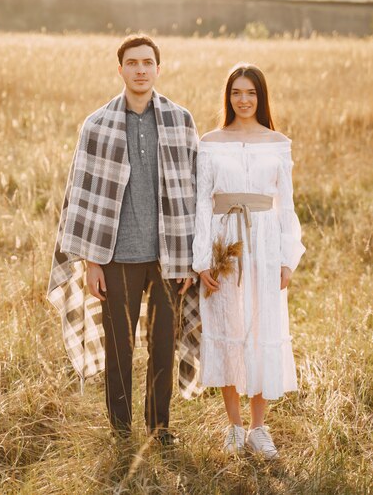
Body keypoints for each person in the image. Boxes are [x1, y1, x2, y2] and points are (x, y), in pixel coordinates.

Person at [47, 34, 200, 445]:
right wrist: (91, 262)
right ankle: (120, 431)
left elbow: (195, 190)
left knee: (163, 346)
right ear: (120, 69)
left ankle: (159, 428)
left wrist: (190, 259)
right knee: (120, 348)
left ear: (157, 68)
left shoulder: (180, 120)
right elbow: (78, 195)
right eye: (132, 63)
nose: (140, 70)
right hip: (116, 257)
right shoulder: (96, 125)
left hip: (169, 256)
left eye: (147, 62)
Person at [192, 62, 305, 459]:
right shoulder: (209, 141)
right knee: (227, 327)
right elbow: (202, 204)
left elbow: (287, 204)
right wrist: (201, 258)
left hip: (265, 243)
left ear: (261, 97)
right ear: (228, 96)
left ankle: (259, 428)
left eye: (251, 93)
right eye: (236, 93)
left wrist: (288, 258)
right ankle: (234, 427)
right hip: (225, 245)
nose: (243, 100)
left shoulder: (278, 142)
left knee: (260, 329)